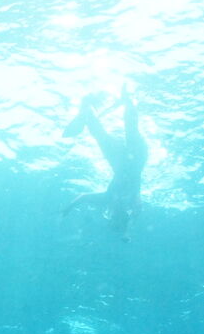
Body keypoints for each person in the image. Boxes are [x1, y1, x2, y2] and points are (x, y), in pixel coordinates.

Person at [61, 86, 147, 241]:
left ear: (110, 214)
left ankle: (87, 109)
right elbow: (134, 217)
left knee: (100, 134)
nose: (116, 213)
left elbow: (83, 197)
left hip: (119, 163)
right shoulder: (134, 204)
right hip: (137, 161)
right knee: (131, 130)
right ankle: (126, 99)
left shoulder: (107, 199)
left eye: (113, 216)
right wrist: (127, 232)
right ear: (124, 217)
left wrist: (68, 208)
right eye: (119, 217)